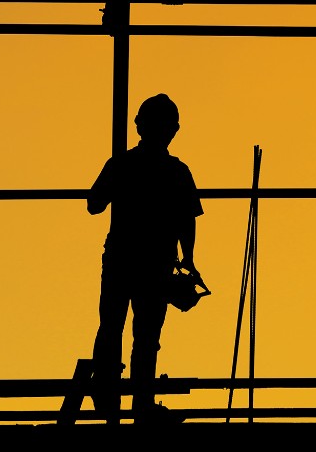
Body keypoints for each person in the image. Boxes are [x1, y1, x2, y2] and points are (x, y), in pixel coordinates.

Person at [87, 93, 203, 425]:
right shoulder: (177, 171)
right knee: (147, 334)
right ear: (174, 130)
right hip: (156, 262)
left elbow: (94, 204)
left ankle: (107, 401)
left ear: (139, 126)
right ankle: (141, 403)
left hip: (123, 257)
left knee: (112, 326)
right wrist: (189, 259)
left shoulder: (121, 164)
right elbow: (187, 220)